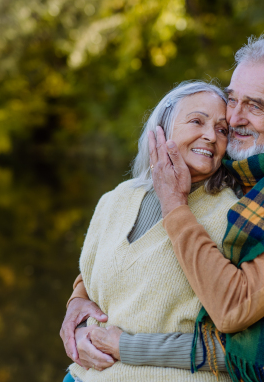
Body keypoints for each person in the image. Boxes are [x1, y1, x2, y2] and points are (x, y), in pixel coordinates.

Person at [62, 35, 264, 382]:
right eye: (232, 99)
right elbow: (125, 259)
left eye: (255, 105)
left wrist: (174, 204)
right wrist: (78, 305)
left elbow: (234, 309)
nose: (234, 118)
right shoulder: (238, 155)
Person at [65, 81, 240, 382]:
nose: (211, 136)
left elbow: (241, 352)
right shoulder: (116, 199)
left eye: (222, 130)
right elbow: (93, 289)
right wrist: (78, 324)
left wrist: (129, 348)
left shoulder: (232, 215)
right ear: (161, 128)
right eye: (197, 121)